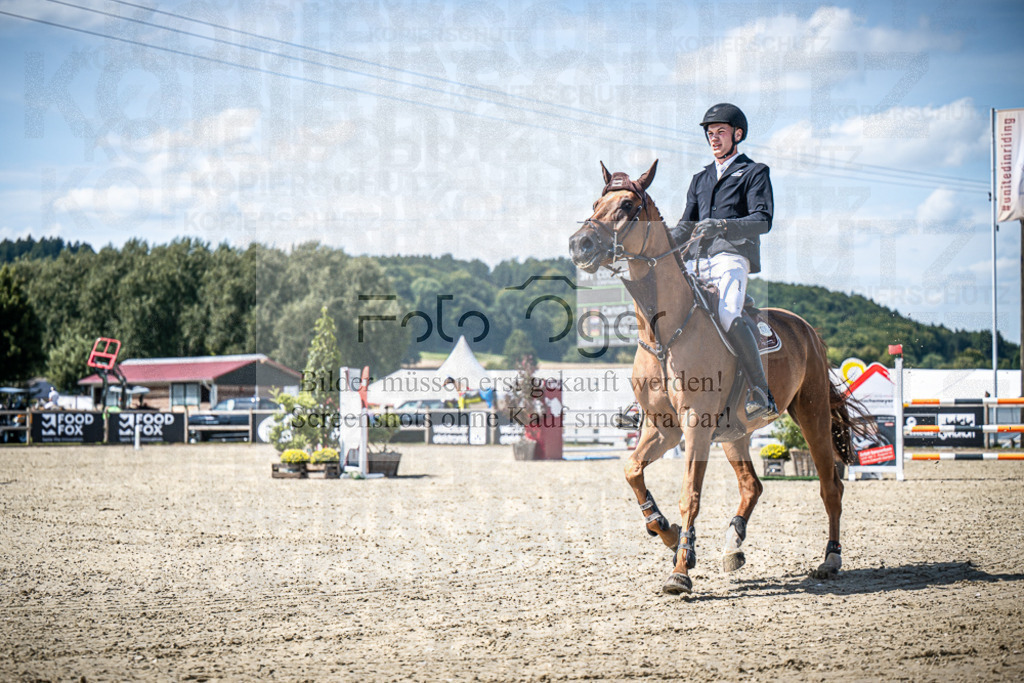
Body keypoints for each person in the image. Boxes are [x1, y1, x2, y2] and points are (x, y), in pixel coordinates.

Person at [614, 103, 778, 429]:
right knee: (662, 317)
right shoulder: (700, 179)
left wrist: (723, 225)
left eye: (720, 132)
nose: (713, 138)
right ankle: (646, 400)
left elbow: (763, 219)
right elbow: (685, 228)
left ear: (737, 135)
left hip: (731, 256)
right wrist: (657, 244)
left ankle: (760, 391)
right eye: (710, 133)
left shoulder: (754, 172)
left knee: (728, 314)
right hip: (695, 260)